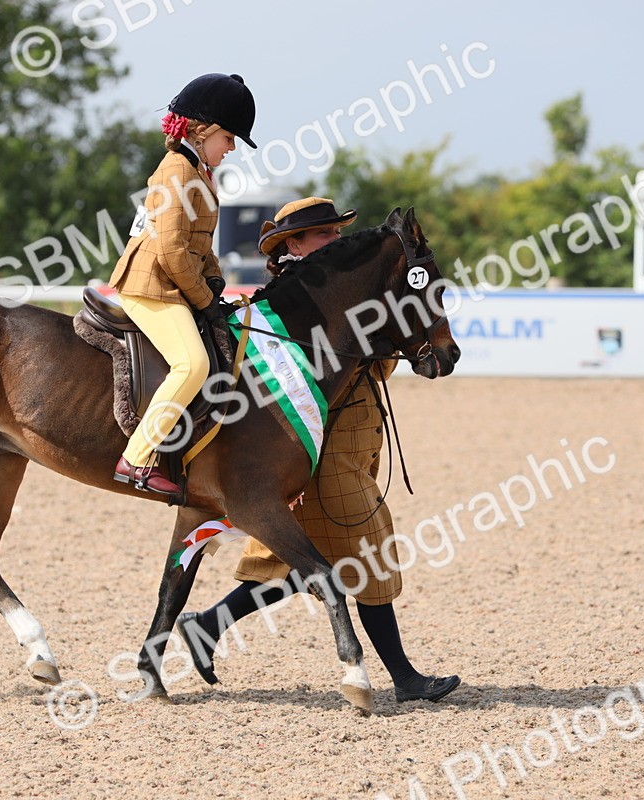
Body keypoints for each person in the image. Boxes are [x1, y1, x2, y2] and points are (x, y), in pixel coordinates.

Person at [177, 197, 461, 703]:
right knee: (367, 557)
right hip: (322, 452)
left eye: (337, 233)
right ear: (293, 244)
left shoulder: (344, 295)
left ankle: (207, 626)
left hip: (347, 446)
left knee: (295, 561)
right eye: (324, 234)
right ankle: (404, 678)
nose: (336, 241)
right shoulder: (289, 304)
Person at [108, 73, 257, 495]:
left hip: (171, 282)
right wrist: (204, 298)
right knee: (193, 364)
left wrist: (215, 277)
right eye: (229, 138)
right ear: (202, 131)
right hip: (151, 285)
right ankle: (137, 459)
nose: (231, 148)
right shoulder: (177, 171)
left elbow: (199, 244)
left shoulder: (197, 171)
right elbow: (172, 250)